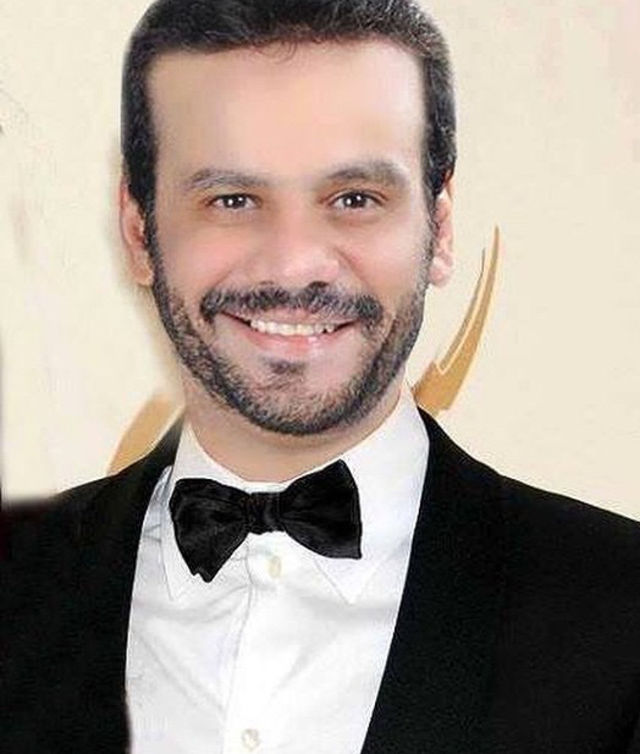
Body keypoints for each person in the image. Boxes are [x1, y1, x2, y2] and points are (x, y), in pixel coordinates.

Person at [2, 1, 640, 752]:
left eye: (354, 200)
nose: (295, 263)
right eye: (232, 200)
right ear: (139, 231)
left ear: (440, 228)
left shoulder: (621, 610)